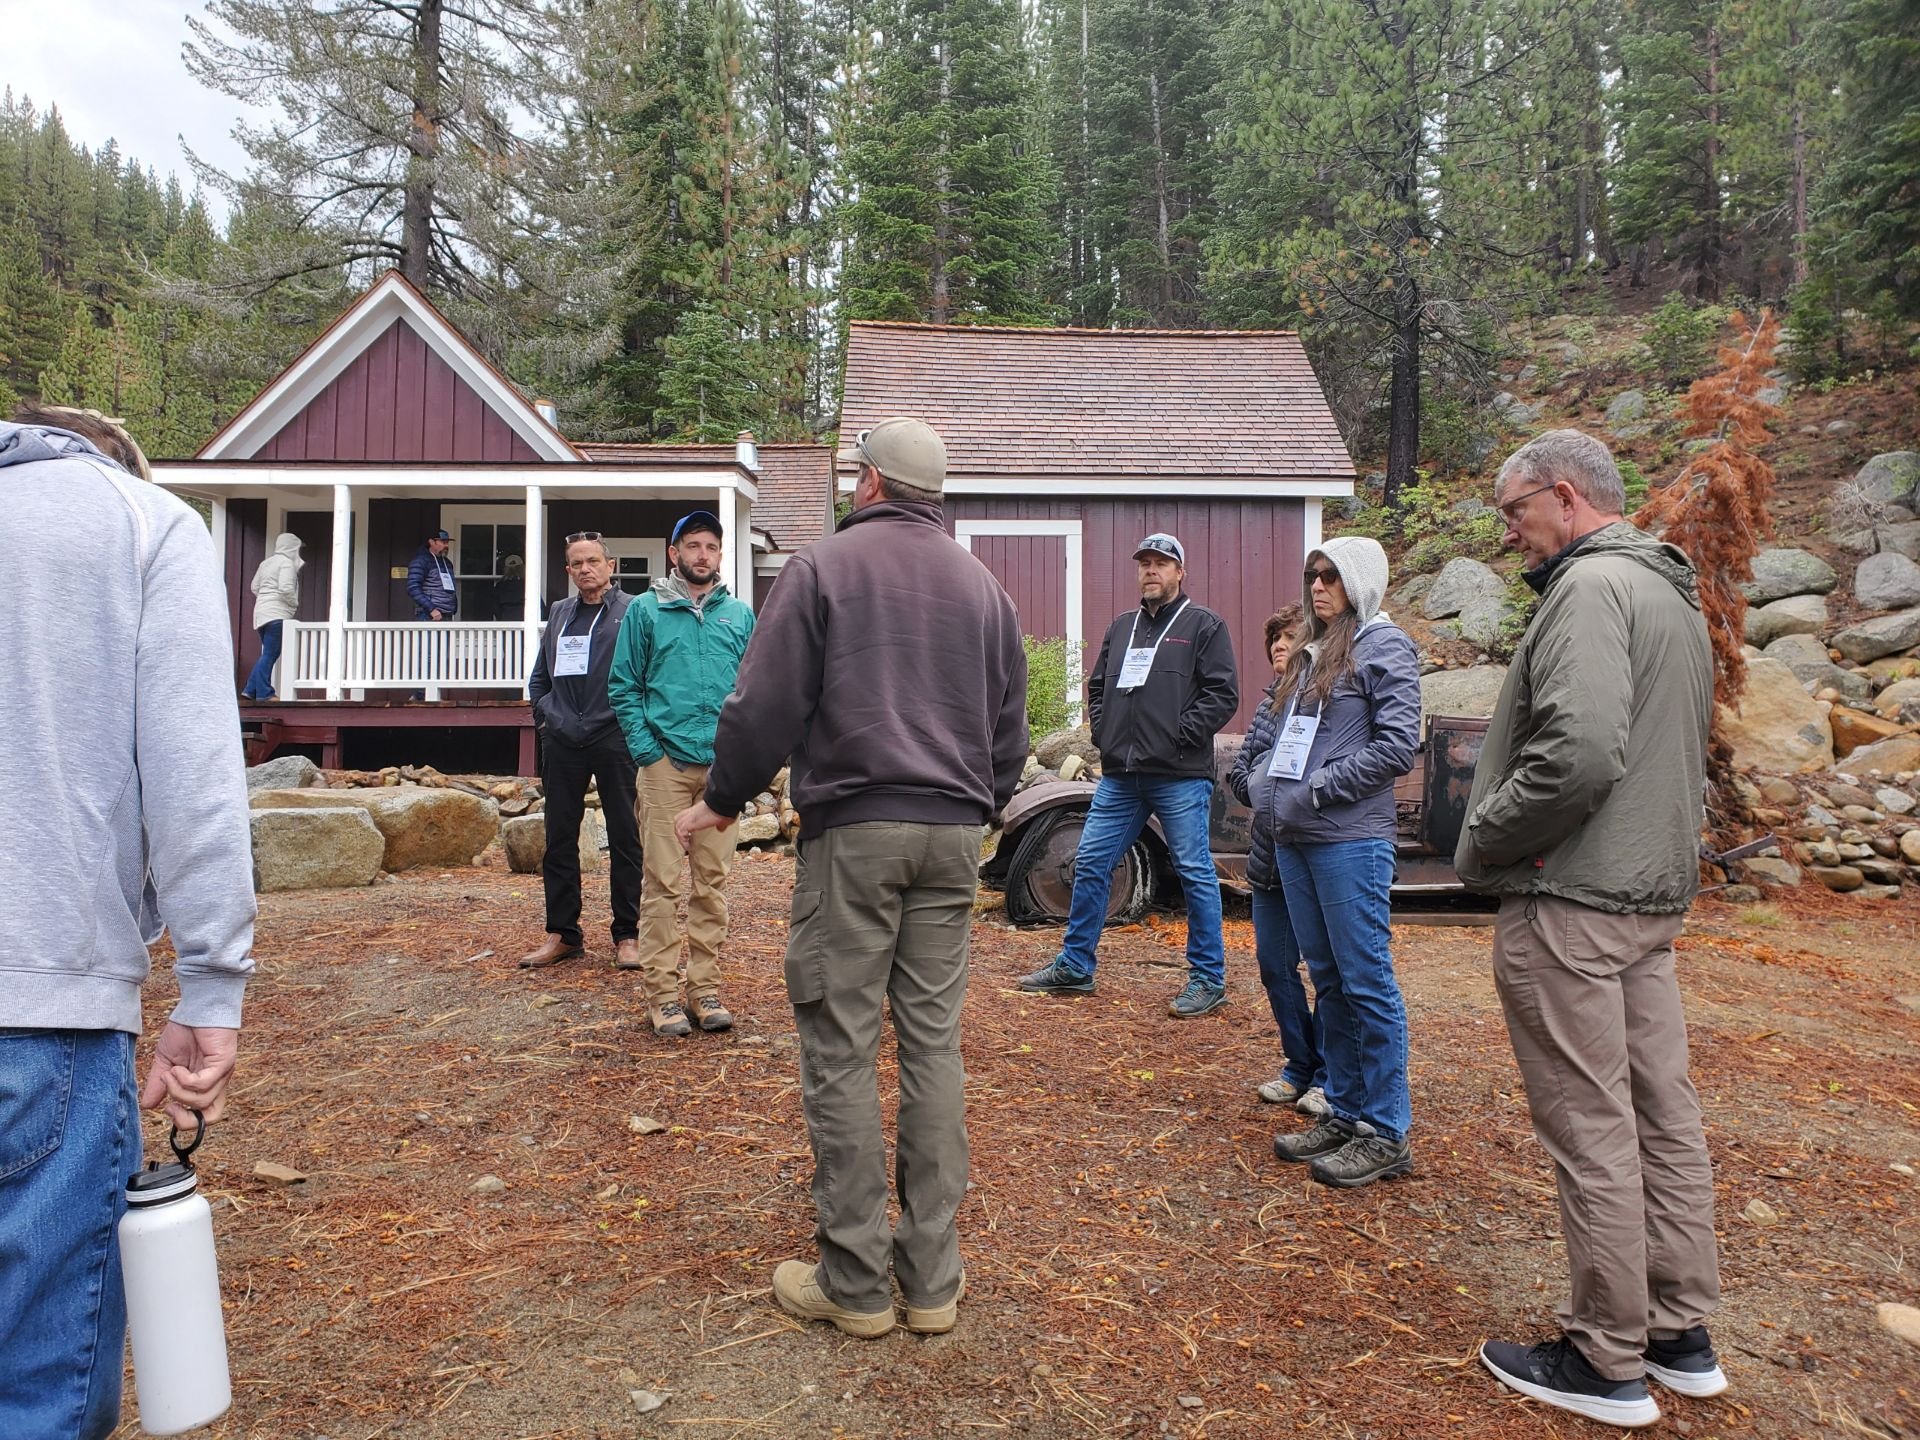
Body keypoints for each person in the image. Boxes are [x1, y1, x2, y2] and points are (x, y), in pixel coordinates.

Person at [675, 416, 1026, 1339]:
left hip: (858, 832)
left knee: (841, 1043)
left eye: (852, 473)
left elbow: (764, 703)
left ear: (870, 483)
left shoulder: (823, 569)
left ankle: (858, 1285)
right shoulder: (986, 588)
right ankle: (934, 1282)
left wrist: (720, 799)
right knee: (932, 1046)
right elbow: (1009, 736)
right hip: (953, 838)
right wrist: (973, 809)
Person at [0, 410, 255, 1440]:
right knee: (35, 1386)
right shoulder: (142, 525)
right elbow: (195, 780)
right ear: (119, 463)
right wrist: (212, 985)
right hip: (41, 999)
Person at [1460, 430, 1722, 1429]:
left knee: (1592, 1126)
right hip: (1648, 898)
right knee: (1662, 1115)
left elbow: (1577, 754)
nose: (1511, 533)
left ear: (1563, 499)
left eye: (1515, 511)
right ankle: (1679, 1334)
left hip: (1572, 900)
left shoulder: (1587, 588)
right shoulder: (1668, 591)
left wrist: (1486, 835)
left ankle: (1604, 1356)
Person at [1252, 536, 1421, 1189]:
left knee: (1366, 980)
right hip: (1295, 839)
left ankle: (1386, 1128)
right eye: (1312, 575)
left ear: (1361, 581)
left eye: (1332, 576)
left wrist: (1318, 789)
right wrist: (1273, 793)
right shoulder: (1310, 652)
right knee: (1330, 981)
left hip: (1349, 839)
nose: (1318, 586)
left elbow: (1397, 747)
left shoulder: (1386, 646)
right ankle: (1346, 1110)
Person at [1016, 532, 1239, 1017]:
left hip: (1179, 774)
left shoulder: (1203, 626)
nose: (1151, 570)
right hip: (1122, 775)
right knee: (1091, 861)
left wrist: (1178, 735)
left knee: (1194, 872)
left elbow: (1223, 694)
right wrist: (1106, 735)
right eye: (1144, 563)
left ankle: (1208, 977)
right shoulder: (1122, 627)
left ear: (1180, 572)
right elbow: (1098, 686)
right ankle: (1076, 966)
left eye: (1161, 562)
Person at [608, 511, 756, 1038]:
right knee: (664, 883)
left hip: (721, 774)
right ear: (674, 553)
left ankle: (704, 988)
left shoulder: (739, 616)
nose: (701, 555)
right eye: (691, 545)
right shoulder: (646, 612)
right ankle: (664, 996)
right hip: (665, 767)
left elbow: (754, 693)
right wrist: (648, 754)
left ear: (720, 555)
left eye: (710, 546)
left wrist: (739, 760)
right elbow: (624, 687)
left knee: (712, 883)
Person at [519, 533, 645, 972]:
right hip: (563, 739)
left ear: (611, 565)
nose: (586, 569)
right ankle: (563, 934)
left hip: (613, 737)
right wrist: (545, 716)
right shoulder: (559, 614)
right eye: (577, 563)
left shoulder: (632, 612)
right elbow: (540, 678)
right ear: (568, 570)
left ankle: (627, 935)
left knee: (626, 836)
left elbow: (646, 675)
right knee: (558, 838)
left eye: (593, 561)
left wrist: (631, 725)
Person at [1228, 604, 1328, 1117]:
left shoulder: (1325, 699)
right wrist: (1264, 790)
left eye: (1289, 637)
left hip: (1312, 854)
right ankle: (1300, 1064)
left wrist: (1279, 793)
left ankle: (1331, 1075)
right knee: (1274, 966)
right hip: (1268, 856)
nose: (1278, 647)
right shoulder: (1270, 704)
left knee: (1330, 972)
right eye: (1274, 639)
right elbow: (1242, 771)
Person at [242, 532, 303, 701]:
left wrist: (266, 598)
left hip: (261, 614)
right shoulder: (286, 564)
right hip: (277, 614)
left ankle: (250, 689)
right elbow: (285, 588)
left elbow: (255, 587)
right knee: (271, 653)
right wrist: (293, 604)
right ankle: (264, 693)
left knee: (268, 653)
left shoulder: (266, 563)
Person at [407, 527, 459, 620]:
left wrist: (454, 606)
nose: (446, 545)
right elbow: (413, 588)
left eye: (447, 542)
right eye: (443, 542)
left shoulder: (447, 563)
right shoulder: (421, 561)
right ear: (431, 542)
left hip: (447, 613)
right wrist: (432, 609)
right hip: (429, 615)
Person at [495, 554, 525, 623]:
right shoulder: (528, 586)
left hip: (506, 623)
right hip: (525, 623)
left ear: (506, 569)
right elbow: (540, 608)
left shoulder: (500, 586)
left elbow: (495, 607)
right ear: (522, 568)